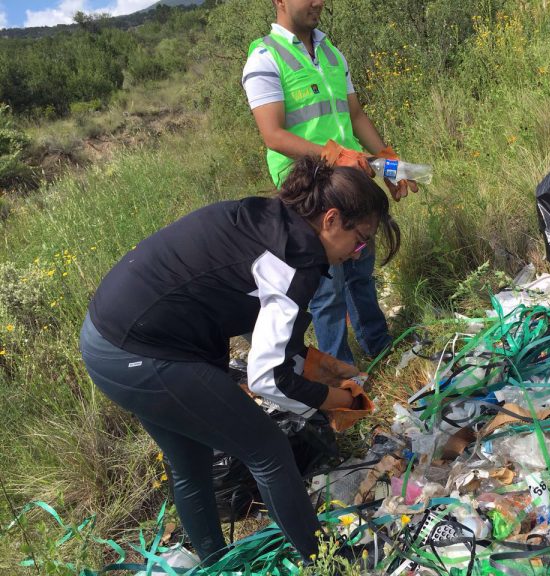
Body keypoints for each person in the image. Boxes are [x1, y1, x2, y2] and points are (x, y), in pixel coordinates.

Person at [79, 157, 400, 566]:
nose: (358, 254)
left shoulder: (274, 223)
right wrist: (337, 401)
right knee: (267, 449)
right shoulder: (292, 262)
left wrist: (322, 366)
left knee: (190, 460)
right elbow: (267, 377)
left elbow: (269, 331)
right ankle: (333, 563)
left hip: (110, 337)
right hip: (140, 350)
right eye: (360, 240)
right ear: (332, 219)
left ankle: (216, 564)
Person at [241, 0, 417, 364]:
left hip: (352, 180)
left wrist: (387, 157)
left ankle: (379, 348)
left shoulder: (331, 52)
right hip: (310, 192)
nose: (319, 2)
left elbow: (354, 114)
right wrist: (334, 155)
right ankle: (344, 376)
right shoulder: (264, 57)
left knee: (360, 273)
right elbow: (273, 135)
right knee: (328, 291)